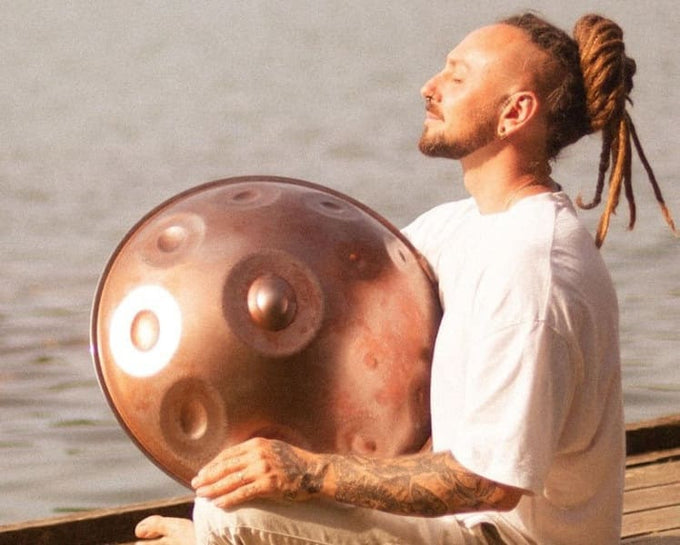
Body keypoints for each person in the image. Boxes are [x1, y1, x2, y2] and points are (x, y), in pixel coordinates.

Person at [133, 11, 676, 545]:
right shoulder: (459, 228)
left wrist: (305, 472)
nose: (430, 87)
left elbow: (486, 482)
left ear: (515, 113)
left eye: (458, 76)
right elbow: (346, 295)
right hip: (461, 524)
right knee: (227, 504)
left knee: (239, 509)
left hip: (506, 536)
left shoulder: (532, 269)